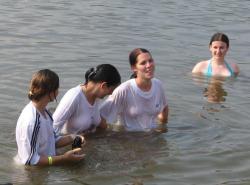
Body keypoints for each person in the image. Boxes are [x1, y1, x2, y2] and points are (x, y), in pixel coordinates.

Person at [15, 69, 85, 166]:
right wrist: (63, 158)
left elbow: (51, 141)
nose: (58, 92)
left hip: (44, 169)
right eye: (57, 89)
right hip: (29, 175)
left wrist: (73, 137)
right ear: (50, 92)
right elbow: (30, 160)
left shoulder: (45, 113)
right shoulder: (32, 121)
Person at [100, 48, 169, 132]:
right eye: (143, 63)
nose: (149, 65)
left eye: (150, 61)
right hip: (129, 141)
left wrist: (162, 129)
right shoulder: (124, 90)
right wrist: (113, 139)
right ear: (134, 68)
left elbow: (164, 108)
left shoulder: (158, 85)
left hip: (152, 139)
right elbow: (101, 116)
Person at [53, 64, 121, 135]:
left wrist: (116, 132)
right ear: (103, 85)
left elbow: (97, 121)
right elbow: (53, 127)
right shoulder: (74, 97)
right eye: (112, 90)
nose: (111, 93)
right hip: (72, 144)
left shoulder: (96, 97)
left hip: (89, 143)